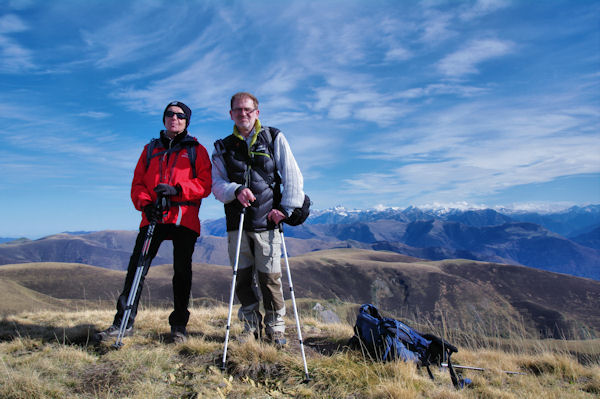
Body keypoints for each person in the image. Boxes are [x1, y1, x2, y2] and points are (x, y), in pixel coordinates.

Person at [95, 101, 212, 344]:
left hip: (183, 219)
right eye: (169, 114)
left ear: (186, 121)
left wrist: (176, 190)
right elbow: (137, 183)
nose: (174, 118)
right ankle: (122, 323)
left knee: (182, 273)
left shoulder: (196, 150)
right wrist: (146, 204)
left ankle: (179, 326)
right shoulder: (150, 149)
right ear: (164, 118)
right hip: (153, 217)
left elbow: (205, 184)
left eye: (180, 116)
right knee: (137, 267)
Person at [211, 92, 305, 347]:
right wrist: (236, 190)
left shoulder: (274, 137)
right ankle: (250, 326)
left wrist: (285, 210)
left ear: (257, 112)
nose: (243, 114)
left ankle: (276, 328)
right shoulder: (222, 146)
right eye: (238, 110)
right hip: (236, 223)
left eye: (248, 109)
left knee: (269, 278)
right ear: (230, 114)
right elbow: (216, 185)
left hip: (267, 223)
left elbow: (293, 176)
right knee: (242, 278)